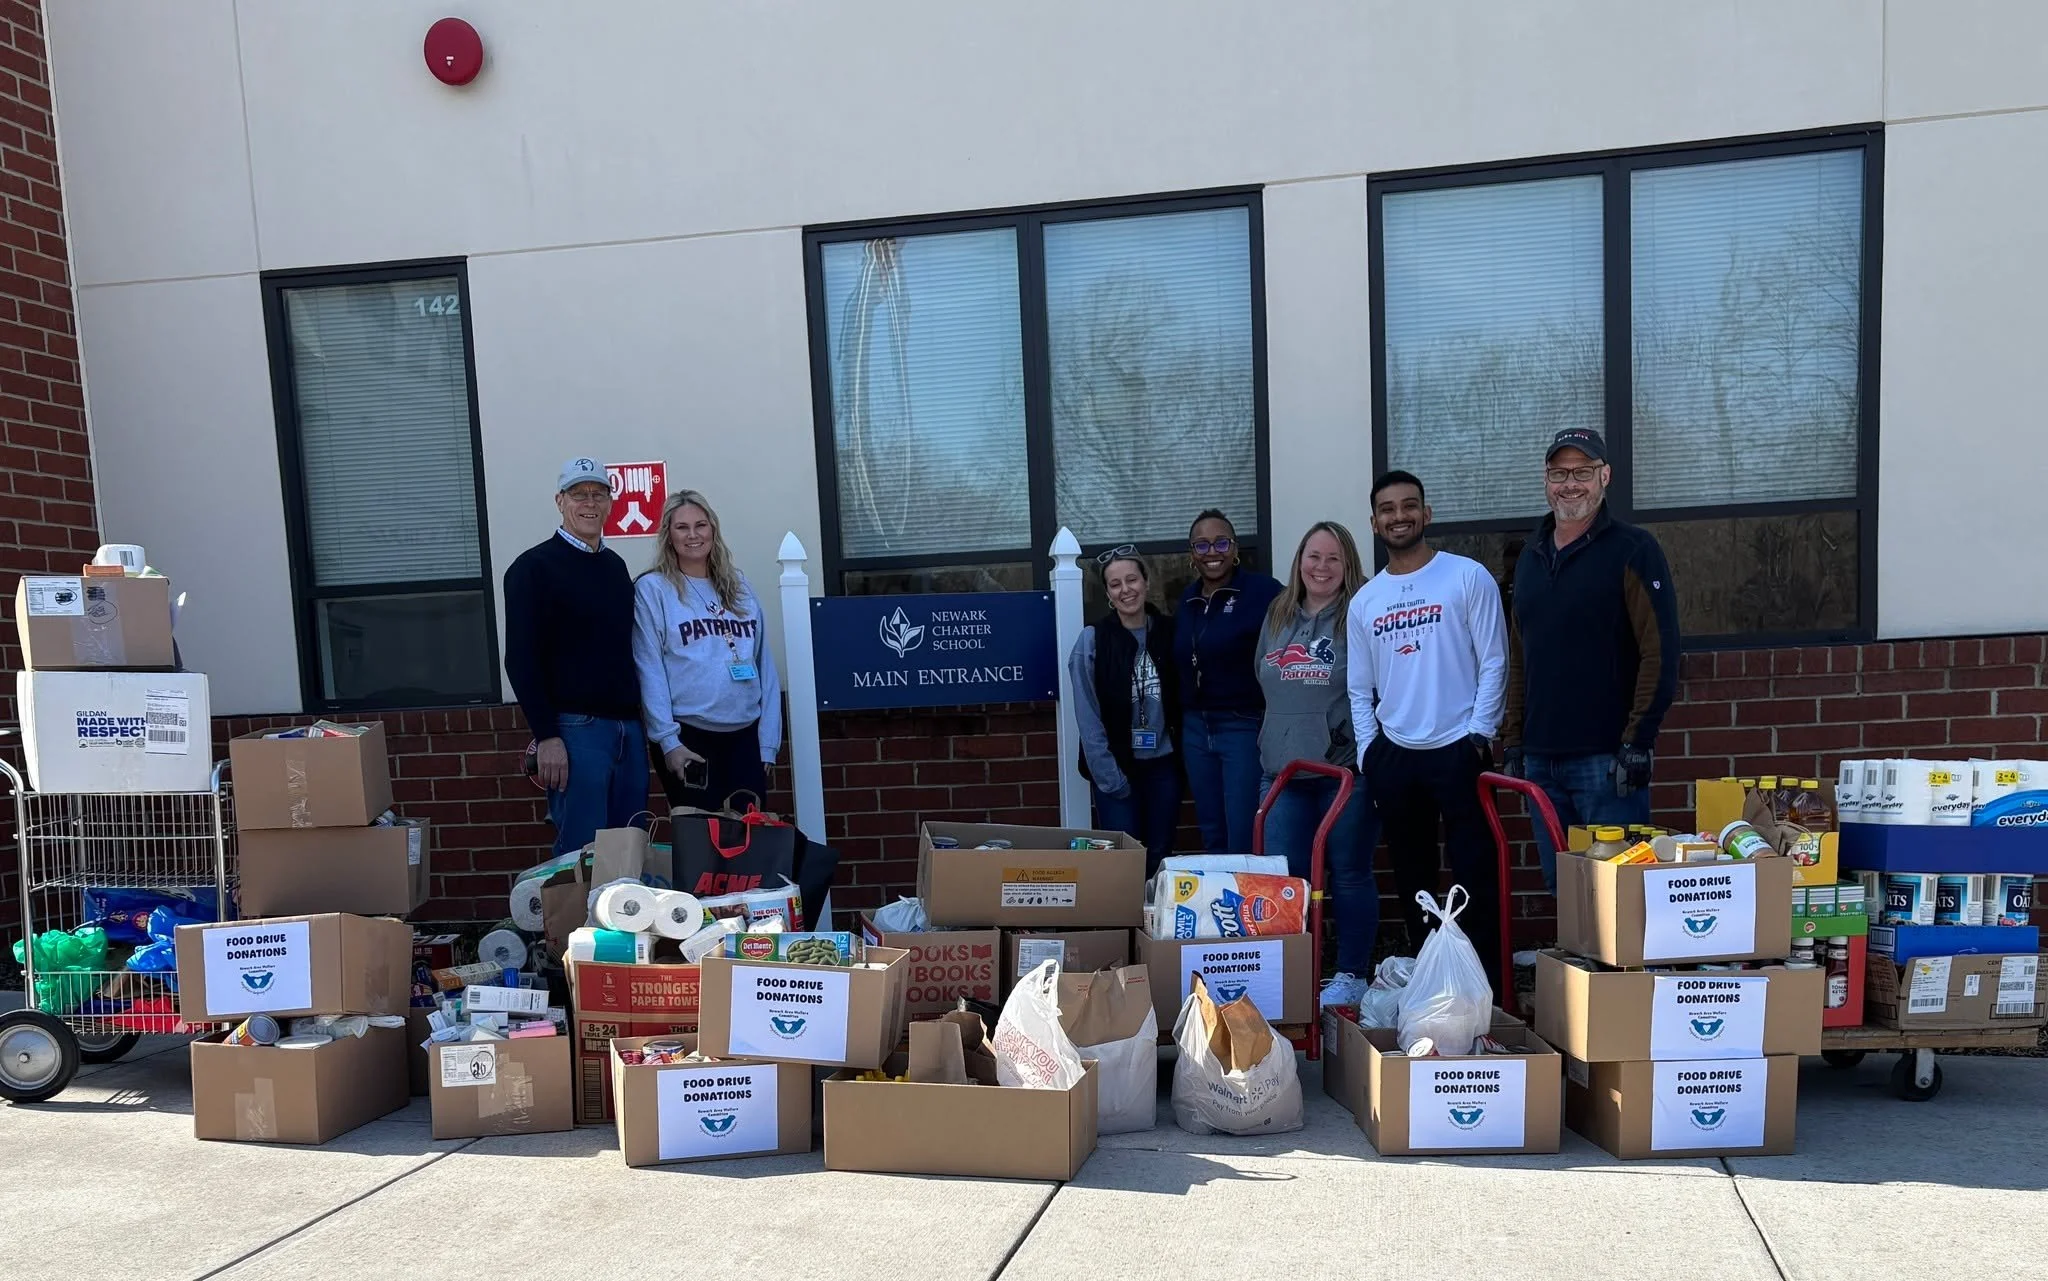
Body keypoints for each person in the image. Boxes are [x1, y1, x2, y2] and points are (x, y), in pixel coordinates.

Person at [1347, 470, 1509, 985]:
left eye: (1409, 506)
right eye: (1388, 509)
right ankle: (1430, 989)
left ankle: (1484, 991)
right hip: (1395, 755)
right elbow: (1358, 688)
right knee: (1413, 878)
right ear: (1374, 522)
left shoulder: (1467, 576)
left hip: (1460, 750)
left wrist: (1480, 735)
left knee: (1476, 875)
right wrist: (1369, 753)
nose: (1400, 516)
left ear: (1427, 513)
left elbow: (1495, 661)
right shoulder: (1365, 601)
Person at [1502, 427, 1680, 894]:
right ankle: (1575, 970)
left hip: (1607, 760)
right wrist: (1515, 738)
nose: (1570, 484)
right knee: (1563, 886)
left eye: (1582, 471)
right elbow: (1521, 654)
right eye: (1559, 473)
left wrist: (1638, 740)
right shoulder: (1530, 556)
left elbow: (1658, 651)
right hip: (1541, 760)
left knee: (1616, 891)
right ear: (1546, 480)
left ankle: (1616, 972)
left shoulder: (1633, 550)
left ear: (1605, 476)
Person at [1255, 521, 1380, 1004]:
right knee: (1285, 880)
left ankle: (1351, 974)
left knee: (1348, 872)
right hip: (1281, 774)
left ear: (1348, 564)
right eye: (1313, 556)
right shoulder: (1278, 613)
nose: (1321, 567)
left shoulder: (1362, 612)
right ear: (1299, 561)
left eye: (1333, 558)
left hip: (1342, 774)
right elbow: (1262, 679)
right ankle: (1290, 975)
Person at [503, 457, 649, 857]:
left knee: (630, 851)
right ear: (560, 501)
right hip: (575, 730)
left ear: (610, 503)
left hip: (628, 731)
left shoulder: (615, 567)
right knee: (582, 855)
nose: (589, 503)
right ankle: (574, 923)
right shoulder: (532, 568)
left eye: (598, 494)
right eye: (579, 494)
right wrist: (547, 735)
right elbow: (520, 658)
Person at [633, 489, 783, 811]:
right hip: (690, 736)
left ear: (713, 530)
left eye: (701, 525)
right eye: (681, 527)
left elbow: (764, 667)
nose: (693, 535)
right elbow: (650, 669)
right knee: (702, 844)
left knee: (750, 843)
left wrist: (767, 743)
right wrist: (669, 742)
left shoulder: (739, 587)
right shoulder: (653, 590)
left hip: (745, 736)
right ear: (668, 536)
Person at [1173, 509, 1282, 853]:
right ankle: (1219, 904)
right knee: (1211, 830)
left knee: (1242, 829)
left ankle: (1244, 905)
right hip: (1195, 728)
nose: (1212, 552)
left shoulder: (1263, 593)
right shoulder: (1186, 600)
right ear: (1192, 554)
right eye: (1202, 545)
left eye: (1221, 542)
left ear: (1235, 549)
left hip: (1242, 725)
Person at [1069, 546, 1182, 875]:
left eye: (1132, 579)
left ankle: (1152, 924)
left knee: (1160, 855)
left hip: (1163, 766)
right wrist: (1108, 776)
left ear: (1146, 582)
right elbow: (1087, 713)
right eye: (1115, 584)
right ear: (1107, 593)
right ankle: (1125, 927)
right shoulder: (1092, 641)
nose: (1125, 590)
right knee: (1122, 862)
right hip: (1116, 767)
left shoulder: (1170, 632)